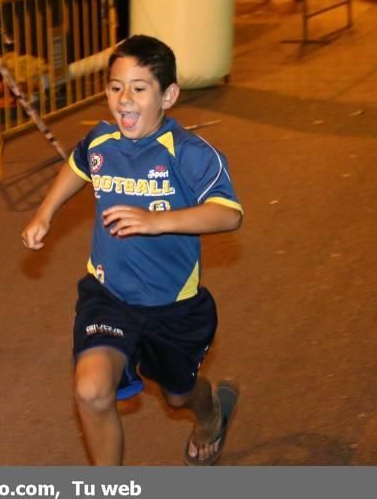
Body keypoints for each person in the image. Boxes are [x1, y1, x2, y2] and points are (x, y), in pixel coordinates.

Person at [21, 35, 243, 466]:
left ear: (169, 95)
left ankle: (210, 412)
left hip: (173, 307)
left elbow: (227, 213)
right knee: (90, 389)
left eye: (139, 88)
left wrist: (157, 220)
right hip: (109, 296)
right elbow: (77, 167)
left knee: (178, 395)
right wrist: (44, 214)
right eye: (115, 86)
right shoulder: (101, 141)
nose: (124, 99)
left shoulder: (189, 154)